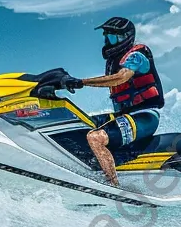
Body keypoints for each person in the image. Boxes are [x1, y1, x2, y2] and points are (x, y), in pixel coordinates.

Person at [65, 17, 165, 188]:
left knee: (95, 138)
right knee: (79, 122)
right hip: (124, 115)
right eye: (105, 35)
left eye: (110, 36)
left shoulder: (137, 56)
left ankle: (113, 187)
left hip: (144, 116)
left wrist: (83, 82)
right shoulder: (115, 61)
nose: (106, 40)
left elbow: (121, 78)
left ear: (123, 36)